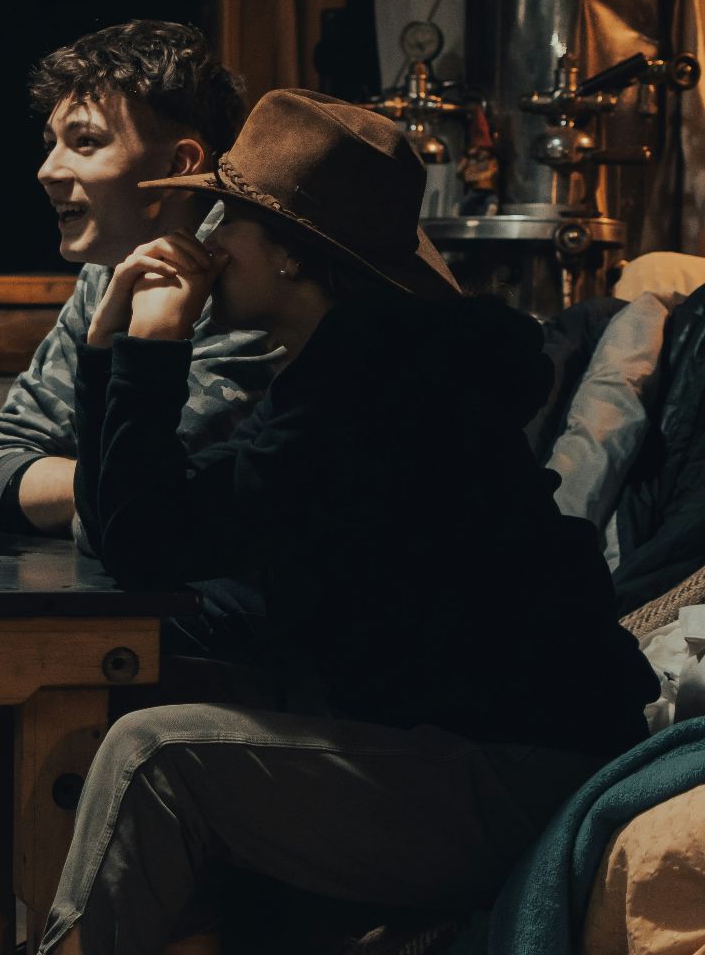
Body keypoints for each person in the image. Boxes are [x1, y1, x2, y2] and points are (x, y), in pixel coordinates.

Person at [39, 90, 659, 955]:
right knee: (165, 685)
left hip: (516, 774)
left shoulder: (378, 395)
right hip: (459, 745)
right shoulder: (342, 374)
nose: (208, 241)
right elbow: (135, 534)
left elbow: (146, 545)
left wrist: (152, 348)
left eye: (230, 220)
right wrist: (108, 350)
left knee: (155, 756)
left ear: (291, 255)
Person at [0, 21, 282, 539]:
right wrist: (96, 489)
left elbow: (139, 519)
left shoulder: (249, 288)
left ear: (179, 165)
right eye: (51, 144)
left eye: (85, 142)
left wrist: (90, 491)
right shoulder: (111, 272)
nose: (47, 170)